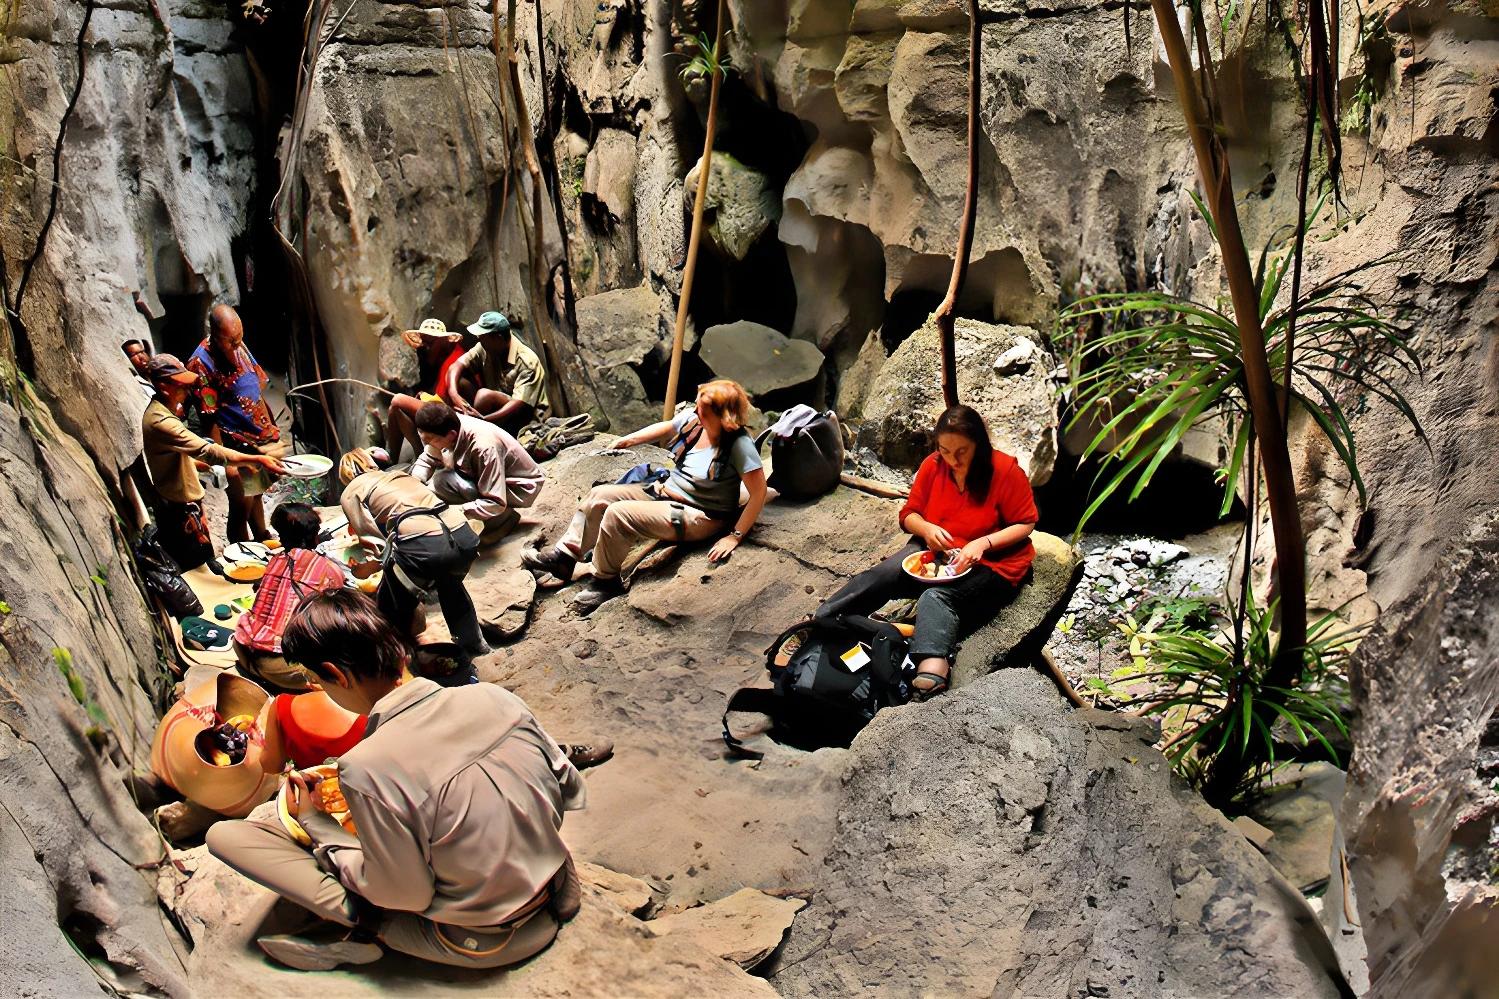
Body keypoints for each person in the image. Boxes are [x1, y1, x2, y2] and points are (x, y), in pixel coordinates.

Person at [206, 589, 586, 972]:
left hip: (487, 939)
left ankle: (369, 933)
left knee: (224, 837)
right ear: (399, 653)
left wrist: (317, 825)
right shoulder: (495, 697)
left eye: (315, 679)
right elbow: (569, 789)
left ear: (336, 675)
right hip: (551, 887)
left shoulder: (366, 767)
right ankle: (546, 876)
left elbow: (407, 896)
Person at [816, 405, 1038, 700]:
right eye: (945, 450)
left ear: (979, 445)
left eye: (962, 451)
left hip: (993, 561)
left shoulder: (1005, 470)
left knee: (936, 598)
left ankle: (931, 666)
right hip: (938, 550)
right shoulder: (934, 466)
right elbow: (909, 514)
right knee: (882, 575)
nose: (952, 459)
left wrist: (982, 543)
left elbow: (1026, 523)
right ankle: (830, 617)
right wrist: (926, 529)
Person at [522, 379, 768, 616]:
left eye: (702, 410)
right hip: (664, 492)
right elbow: (669, 426)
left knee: (619, 515)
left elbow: (758, 493)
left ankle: (605, 580)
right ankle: (565, 558)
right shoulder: (696, 422)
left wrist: (734, 537)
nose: (696, 412)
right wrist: (630, 439)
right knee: (600, 496)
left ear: (723, 416)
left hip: (698, 514)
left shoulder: (738, 444)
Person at [338, 449, 491, 673]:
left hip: (428, 547)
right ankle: (475, 644)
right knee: (450, 584)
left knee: (391, 601)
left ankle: (399, 658)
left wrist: (363, 569)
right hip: (463, 537)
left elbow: (375, 542)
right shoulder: (400, 475)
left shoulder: (352, 490)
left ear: (345, 475)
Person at [140, 355, 283, 571]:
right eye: (182, 386)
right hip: (179, 511)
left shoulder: (165, 412)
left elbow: (180, 455)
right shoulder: (161, 422)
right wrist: (256, 459)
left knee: (207, 562)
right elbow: (207, 449)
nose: (188, 391)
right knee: (197, 571)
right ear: (164, 387)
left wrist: (207, 467)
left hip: (188, 506)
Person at [188, 304, 285, 544]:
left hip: (258, 436)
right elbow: (207, 416)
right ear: (215, 336)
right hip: (234, 441)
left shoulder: (239, 345)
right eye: (231, 341)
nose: (237, 345)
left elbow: (255, 391)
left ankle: (262, 535)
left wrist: (272, 430)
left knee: (257, 491)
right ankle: (242, 551)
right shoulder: (200, 363)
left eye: (239, 339)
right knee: (241, 502)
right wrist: (224, 461)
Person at [232, 502, 351, 692]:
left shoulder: (274, 561)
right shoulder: (328, 569)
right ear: (315, 536)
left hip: (243, 649)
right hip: (282, 667)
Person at [410, 401, 545, 542]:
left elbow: (495, 501)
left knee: (443, 482)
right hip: (492, 477)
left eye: (430, 439)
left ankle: (501, 523)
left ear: (451, 435)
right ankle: (496, 519)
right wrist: (413, 484)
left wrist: (455, 512)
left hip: (519, 487)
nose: (427, 443)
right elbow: (428, 457)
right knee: (438, 483)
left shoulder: (483, 447)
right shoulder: (447, 425)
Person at [442, 311, 549, 435]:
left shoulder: (526, 361)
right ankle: (473, 422)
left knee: (484, 396)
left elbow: (519, 404)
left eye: (482, 337)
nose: (479, 339)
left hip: (525, 416)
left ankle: (479, 431)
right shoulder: (485, 347)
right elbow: (456, 366)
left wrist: (484, 419)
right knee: (460, 381)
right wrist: (454, 395)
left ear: (498, 338)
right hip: (493, 409)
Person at [377, 319, 467, 465]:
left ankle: (422, 454)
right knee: (395, 409)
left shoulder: (455, 359)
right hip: (443, 410)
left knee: (398, 399)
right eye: (425, 343)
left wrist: (426, 399)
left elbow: (446, 402)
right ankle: (395, 458)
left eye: (431, 343)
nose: (426, 347)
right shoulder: (443, 356)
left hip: (453, 418)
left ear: (443, 340)